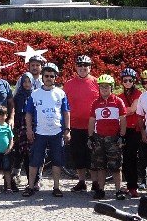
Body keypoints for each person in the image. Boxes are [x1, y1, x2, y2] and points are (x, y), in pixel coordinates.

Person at [24, 62, 70, 197]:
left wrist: (67, 130)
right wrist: (29, 130)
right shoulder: (35, 94)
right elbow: (28, 114)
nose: (49, 78)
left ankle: (56, 187)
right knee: (34, 161)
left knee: (57, 161)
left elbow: (66, 112)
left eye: (51, 76)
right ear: (42, 77)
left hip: (56, 132)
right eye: (46, 76)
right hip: (39, 132)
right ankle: (30, 186)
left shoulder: (60, 93)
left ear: (55, 78)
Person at [64, 54, 99, 193]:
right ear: (75, 67)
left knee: (93, 156)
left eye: (85, 65)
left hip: (93, 127)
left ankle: (95, 182)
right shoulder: (68, 84)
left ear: (90, 67)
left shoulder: (97, 82)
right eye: (80, 65)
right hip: (75, 126)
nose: (82, 68)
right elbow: (64, 106)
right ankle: (82, 181)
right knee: (78, 155)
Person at [88, 74, 127, 200]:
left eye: (107, 87)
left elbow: (123, 119)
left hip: (113, 139)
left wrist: (122, 135)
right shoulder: (95, 103)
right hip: (99, 138)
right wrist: (90, 137)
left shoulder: (118, 101)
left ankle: (118, 190)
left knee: (116, 167)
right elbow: (92, 120)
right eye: (102, 87)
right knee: (100, 166)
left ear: (112, 88)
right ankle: (100, 190)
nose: (104, 89)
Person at [118, 67, 143, 199]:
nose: (127, 82)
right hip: (123, 129)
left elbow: (132, 110)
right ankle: (129, 185)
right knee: (125, 159)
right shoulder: (120, 96)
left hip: (135, 130)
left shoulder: (138, 94)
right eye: (125, 80)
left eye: (130, 80)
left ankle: (133, 187)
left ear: (134, 81)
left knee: (132, 157)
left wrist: (121, 111)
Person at [11, 71, 35, 191]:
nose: (26, 84)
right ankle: (14, 177)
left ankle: (32, 180)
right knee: (20, 152)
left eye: (29, 81)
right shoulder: (18, 96)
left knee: (30, 153)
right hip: (20, 127)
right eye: (24, 81)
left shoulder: (35, 95)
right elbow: (14, 111)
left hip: (31, 126)